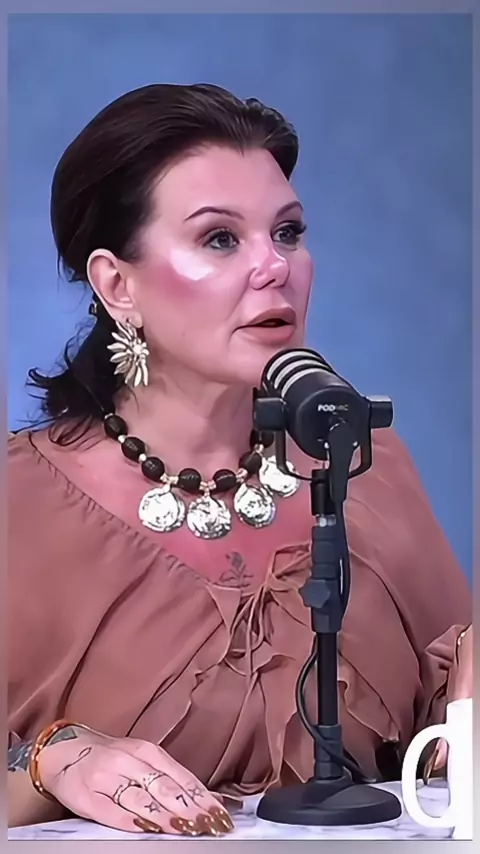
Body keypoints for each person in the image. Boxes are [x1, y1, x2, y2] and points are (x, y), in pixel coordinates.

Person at [7, 83, 472, 836]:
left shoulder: (368, 466)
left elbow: (448, 743)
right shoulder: (19, 506)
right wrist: (51, 759)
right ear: (117, 285)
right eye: (220, 239)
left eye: (288, 233)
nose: (274, 266)